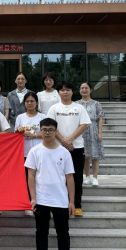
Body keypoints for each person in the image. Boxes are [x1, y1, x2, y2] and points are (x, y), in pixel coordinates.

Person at [26, 118, 77, 250]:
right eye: (44, 129)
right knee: (41, 233)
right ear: (40, 131)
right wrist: (33, 198)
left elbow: (70, 178)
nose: (47, 132)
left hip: (60, 199)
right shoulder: (35, 151)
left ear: (56, 131)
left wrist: (71, 201)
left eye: (50, 130)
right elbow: (31, 176)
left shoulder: (64, 152)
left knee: (63, 233)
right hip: (41, 199)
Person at [46, 82, 91, 218]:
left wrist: (70, 139)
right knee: (57, 177)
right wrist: (64, 141)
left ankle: (77, 205)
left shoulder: (79, 108)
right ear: (58, 92)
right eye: (62, 90)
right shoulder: (54, 108)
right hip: (57, 148)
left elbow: (84, 124)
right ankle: (59, 204)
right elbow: (50, 126)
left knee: (77, 177)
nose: (65, 92)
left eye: (68, 90)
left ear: (72, 92)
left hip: (76, 147)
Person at [15, 91, 47, 216]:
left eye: (32, 101)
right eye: (27, 101)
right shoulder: (20, 117)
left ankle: (41, 203)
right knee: (27, 179)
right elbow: (15, 136)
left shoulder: (43, 117)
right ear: (24, 103)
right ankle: (28, 204)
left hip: (40, 152)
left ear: (36, 102)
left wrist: (34, 135)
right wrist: (18, 130)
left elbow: (47, 134)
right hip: (24, 152)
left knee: (40, 179)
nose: (29, 103)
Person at [77, 82, 105, 187]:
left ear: (91, 90)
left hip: (93, 129)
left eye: (86, 88)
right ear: (79, 90)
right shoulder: (76, 104)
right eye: (82, 88)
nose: (84, 90)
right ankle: (87, 177)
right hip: (80, 130)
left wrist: (100, 133)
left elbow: (100, 118)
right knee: (85, 155)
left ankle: (95, 177)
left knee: (95, 155)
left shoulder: (96, 104)